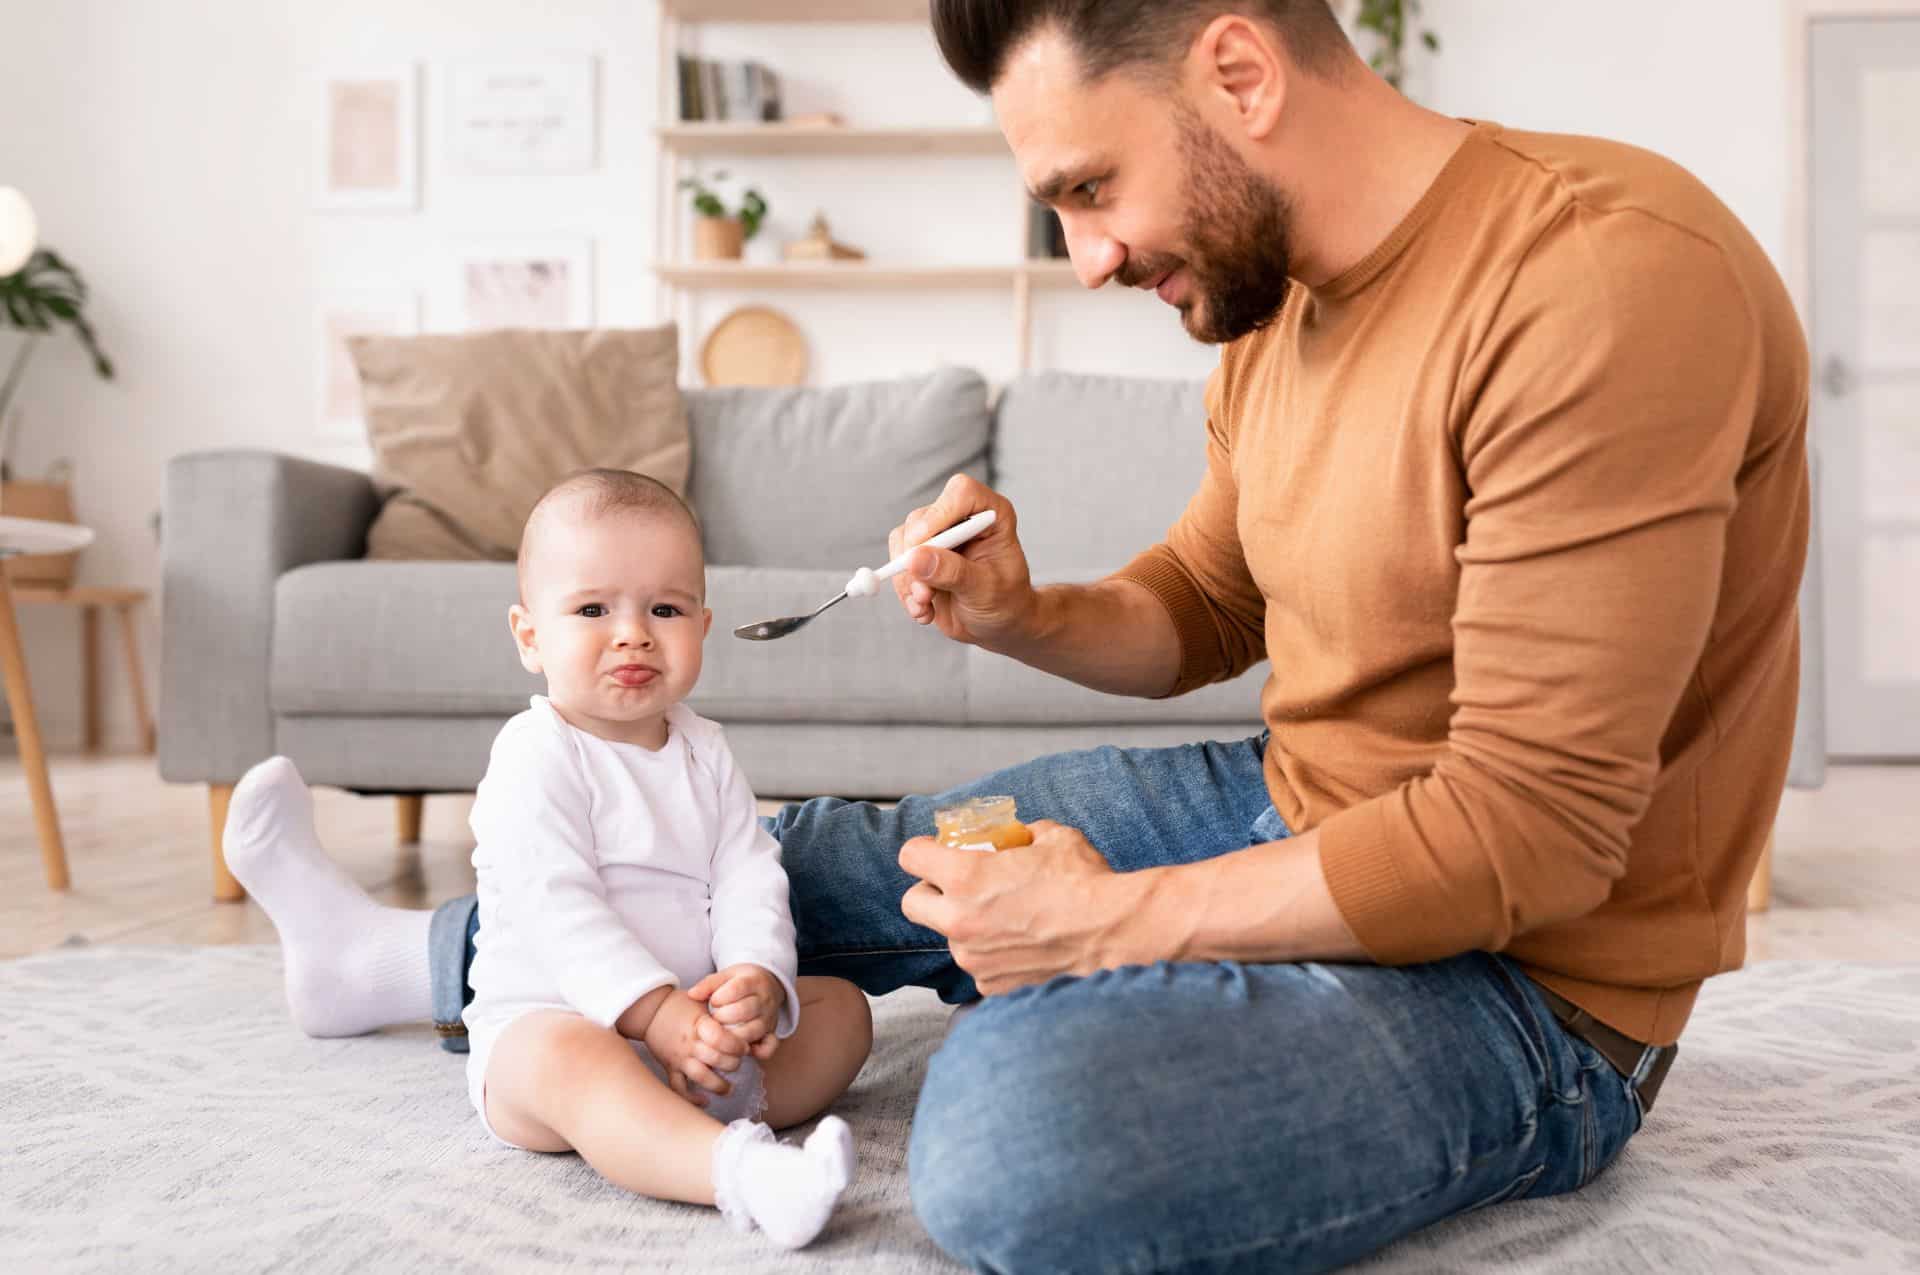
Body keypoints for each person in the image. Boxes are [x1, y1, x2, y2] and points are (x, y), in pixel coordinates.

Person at [226, 2, 1811, 1270]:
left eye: (1089, 188)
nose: (1089, 257)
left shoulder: (1601, 279)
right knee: (789, 860)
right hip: (1293, 806)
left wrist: (1116, 925)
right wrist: (1025, 612)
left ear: (1239, 72)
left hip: (1530, 986)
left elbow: (1530, 828)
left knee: (1015, 1135)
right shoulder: (1282, 312)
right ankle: (394, 962)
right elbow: (1208, 603)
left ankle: (1089, 1015)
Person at [226, 470, 872, 1251]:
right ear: (530, 636)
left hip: (691, 1030)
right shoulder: (536, 753)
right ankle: (743, 1173)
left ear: (702, 626)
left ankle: (666, 1119)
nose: (633, 634)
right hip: (556, 1025)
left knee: (842, 1012)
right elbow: (559, 911)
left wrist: (753, 977)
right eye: (594, 609)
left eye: (665, 610)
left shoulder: (705, 750)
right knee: (569, 1055)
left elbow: (748, 871)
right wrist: (655, 1014)